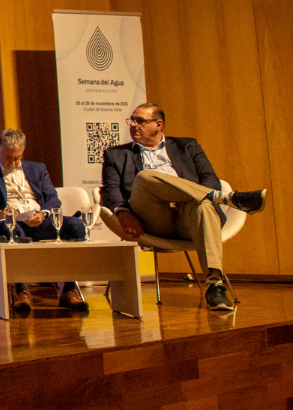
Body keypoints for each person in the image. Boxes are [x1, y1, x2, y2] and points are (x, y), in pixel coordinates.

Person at [98, 103, 266, 312]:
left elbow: (210, 178)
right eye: (131, 120)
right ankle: (226, 199)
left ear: (158, 125)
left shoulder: (188, 146)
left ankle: (215, 285)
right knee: (144, 177)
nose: (133, 125)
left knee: (203, 207)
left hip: (188, 217)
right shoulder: (116, 154)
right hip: (152, 218)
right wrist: (122, 212)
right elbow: (110, 189)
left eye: (140, 121)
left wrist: (187, 197)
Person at [0, 129, 90, 313]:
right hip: (12, 222)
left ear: (23, 151)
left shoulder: (37, 169)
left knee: (76, 225)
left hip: (38, 219)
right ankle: (21, 290)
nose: (12, 163)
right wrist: (1, 214)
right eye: (8, 157)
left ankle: (69, 289)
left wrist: (42, 214)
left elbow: (53, 198)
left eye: (17, 158)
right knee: (14, 231)